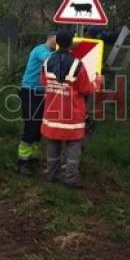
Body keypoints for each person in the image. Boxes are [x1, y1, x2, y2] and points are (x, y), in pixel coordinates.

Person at [40, 30, 102, 188]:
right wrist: (98, 82)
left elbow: (44, 83)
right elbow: (86, 89)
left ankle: (52, 176)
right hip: (72, 115)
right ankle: (71, 179)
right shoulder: (77, 64)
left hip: (52, 113)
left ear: (58, 42)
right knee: (73, 146)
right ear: (70, 44)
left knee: (53, 144)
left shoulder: (46, 62)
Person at [16, 31, 57, 174]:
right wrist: (66, 54)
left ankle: (32, 157)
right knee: (31, 125)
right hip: (30, 91)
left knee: (39, 127)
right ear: (50, 38)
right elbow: (50, 61)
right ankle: (22, 161)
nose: (57, 42)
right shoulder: (41, 50)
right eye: (56, 39)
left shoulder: (50, 51)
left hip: (41, 93)